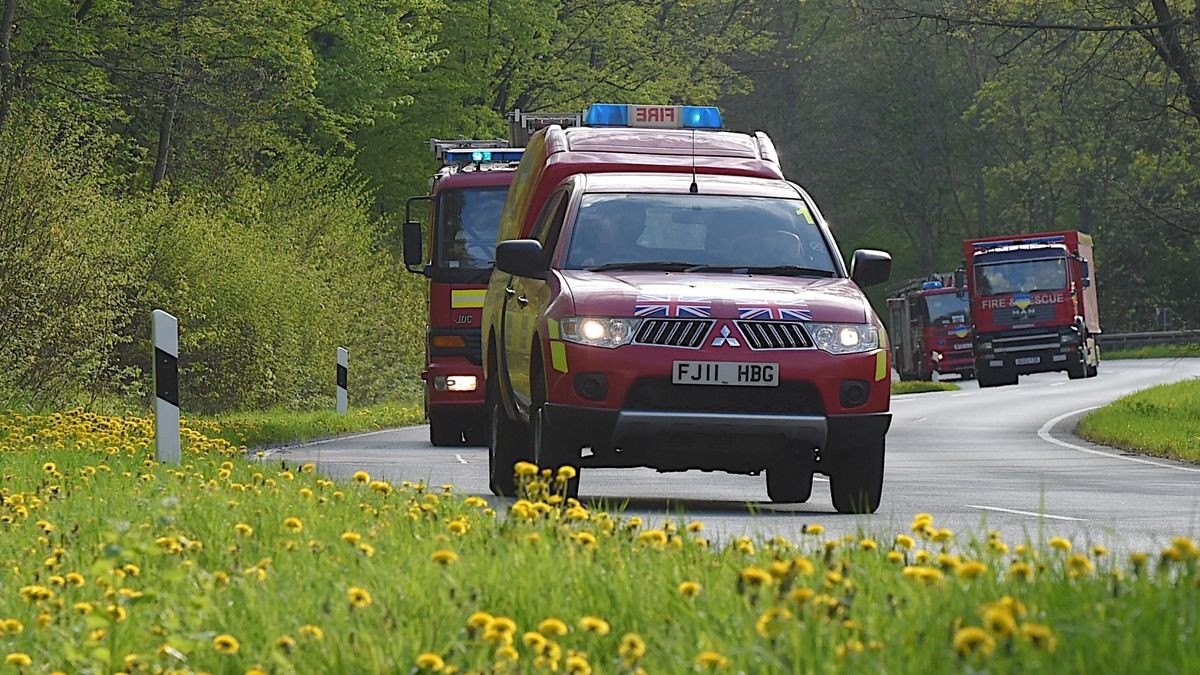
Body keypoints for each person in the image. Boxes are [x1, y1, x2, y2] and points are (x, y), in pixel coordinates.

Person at [571, 200, 648, 267]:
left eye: (633, 223)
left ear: (642, 229)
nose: (626, 228)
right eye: (623, 222)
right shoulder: (574, 259)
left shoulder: (652, 258)